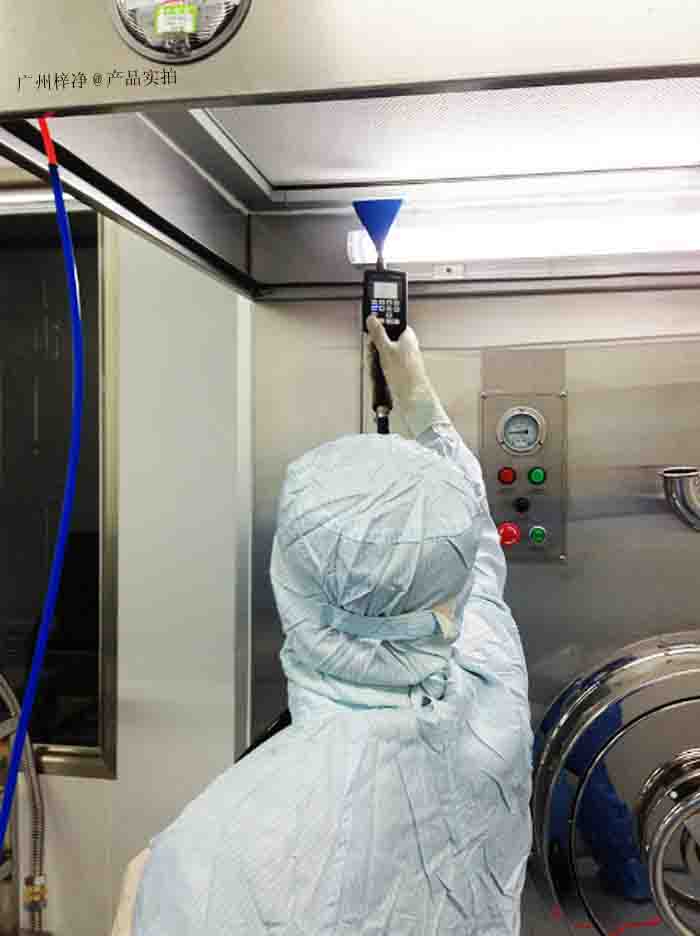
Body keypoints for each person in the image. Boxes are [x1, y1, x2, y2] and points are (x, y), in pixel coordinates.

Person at [112, 318, 533, 936]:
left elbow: (471, 550)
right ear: (454, 589)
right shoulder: (493, 700)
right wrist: (417, 398)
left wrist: (142, 892)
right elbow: (475, 551)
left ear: (291, 584)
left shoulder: (210, 853)